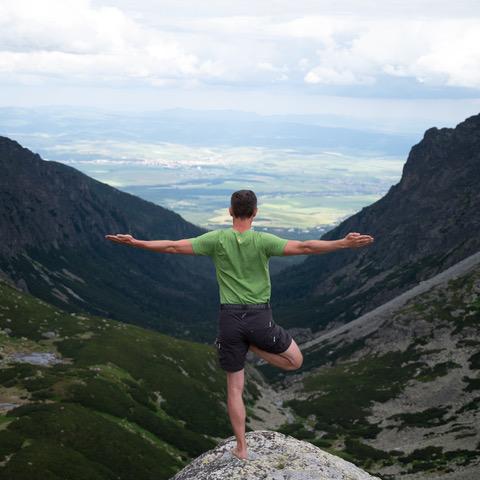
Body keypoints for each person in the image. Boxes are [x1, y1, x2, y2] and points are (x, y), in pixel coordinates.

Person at [105, 189, 375, 461]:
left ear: (230, 211)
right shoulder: (263, 241)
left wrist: (136, 243)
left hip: (229, 321)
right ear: (255, 212)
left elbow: (173, 246)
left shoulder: (217, 239)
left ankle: (241, 448)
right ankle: (254, 348)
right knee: (295, 361)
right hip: (260, 318)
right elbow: (306, 246)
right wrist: (343, 243)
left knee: (234, 388)